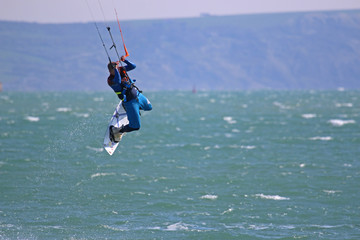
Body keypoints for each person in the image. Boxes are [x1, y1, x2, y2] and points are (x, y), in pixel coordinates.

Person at [107, 56, 152, 142]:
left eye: (117, 68)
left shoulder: (120, 69)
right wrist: (116, 69)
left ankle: (132, 110)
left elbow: (133, 66)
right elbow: (119, 80)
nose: (117, 69)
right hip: (130, 102)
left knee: (149, 107)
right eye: (114, 69)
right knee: (135, 126)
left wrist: (125, 61)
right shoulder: (111, 80)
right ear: (110, 71)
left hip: (138, 96)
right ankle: (117, 130)